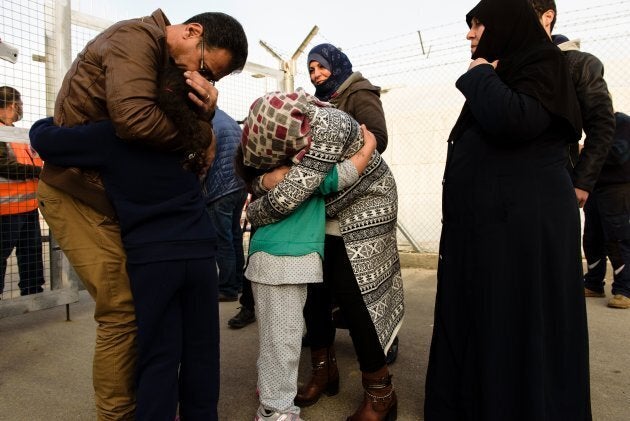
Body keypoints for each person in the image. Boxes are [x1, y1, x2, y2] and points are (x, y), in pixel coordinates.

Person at [34, 9, 247, 420]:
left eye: (212, 81)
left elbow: (49, 139)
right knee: (200, 351)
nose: (202, 80)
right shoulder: (177, 136)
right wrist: (198, 129)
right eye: (204, 70)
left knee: (157, 353)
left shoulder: (109, 139)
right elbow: (137, 121)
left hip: (153, 255)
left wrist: (46, 124)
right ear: (192, 31)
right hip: (197, 251)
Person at [424, 0, 591, 420]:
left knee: (522, 326)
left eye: (478, 24)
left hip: (524, 228)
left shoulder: (543, 63)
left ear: (506, 24)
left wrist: (479, 74)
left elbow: (515, 120)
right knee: (491, 323)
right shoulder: (510, 71)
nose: (470, 34)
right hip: (497, 226)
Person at [247, 89, 403, 421]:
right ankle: (324, 372)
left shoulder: (326, 128)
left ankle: (380, 395)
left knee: (355, 296)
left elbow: (286, 198)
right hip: (324, 206)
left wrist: (256, 206)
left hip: (366, 203)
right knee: (315, 291)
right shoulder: (297, 128)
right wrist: (265, 180)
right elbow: (287, 182)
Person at [529, 0, 616, 294]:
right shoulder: (510, 65)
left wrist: (583, 181)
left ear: (547, 17)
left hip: (559, 183)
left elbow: (602, 126)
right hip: (516, 188)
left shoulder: (579, 64)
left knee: (553, 273)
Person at [581, 111, 630, 309]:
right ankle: (593, 283)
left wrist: (587, 151)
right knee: (592, 237)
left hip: (616, 188)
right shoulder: (595, 128)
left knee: (617, 239)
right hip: (594, 186)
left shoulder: (622, 122)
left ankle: (624, 290)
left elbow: (620, 154)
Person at [0, 86, 45, 297]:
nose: (21, 109)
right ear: (12, 105)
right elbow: (4, 166)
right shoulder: (2, 134)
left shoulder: (17, 134)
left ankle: (34, 293)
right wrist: (39, 171)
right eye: (20, 104)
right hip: (5, 211)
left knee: (31, 254)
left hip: (27, 207)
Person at [204, 108, 248, 302]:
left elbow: (206, 161)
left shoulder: (208, 124)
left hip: (219, 188)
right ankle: (238, 283)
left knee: (223, 240)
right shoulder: (228, 119)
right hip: (238, 185)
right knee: (234, 236)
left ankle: (227, 288)